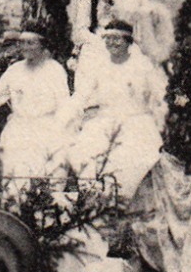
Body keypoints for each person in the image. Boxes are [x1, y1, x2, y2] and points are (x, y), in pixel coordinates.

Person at [66, 20, 166, 201]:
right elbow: (82, 95)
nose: (111, 43)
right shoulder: (99, 65)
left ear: (128, 41)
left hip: (137, 123)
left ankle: (123, 204)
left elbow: (161, 95)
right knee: (83, 154)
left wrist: (164, 117)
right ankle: (96, 205)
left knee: (130, 161)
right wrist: (66, 114)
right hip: (105, 120)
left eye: (116, 39)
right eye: (108, 38)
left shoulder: (142, 65)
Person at [0, 29, 71, 186]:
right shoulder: (15, 70)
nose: (25, 47)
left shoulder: (55, 70)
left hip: (46, 130)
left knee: (46, 179)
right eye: (22, 43)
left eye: (30, 43)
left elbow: (64, 104)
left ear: (42, 45)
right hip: (18, 132)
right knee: (16, 180)